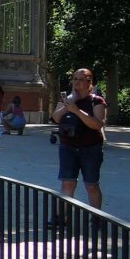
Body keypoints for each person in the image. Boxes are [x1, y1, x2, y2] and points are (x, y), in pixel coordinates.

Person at [50, 68, 108, 212]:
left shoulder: (97, 101)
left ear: (90, 82)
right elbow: (55, 118)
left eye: (80, 79)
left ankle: (96, 217)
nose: (76, 82)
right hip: (67, 147)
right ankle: (62, 218)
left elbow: (97, 124)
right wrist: (68, 104)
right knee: (67, 184)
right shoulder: (66, 99)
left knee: (91, 185)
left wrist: (76, 110)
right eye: (75, 79)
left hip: (90, 148)